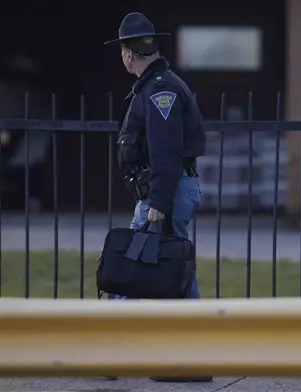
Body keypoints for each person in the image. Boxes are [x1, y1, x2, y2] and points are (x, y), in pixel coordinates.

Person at [103, 12, 211, 383]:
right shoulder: (154, 85)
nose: (122, 57)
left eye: (121, 50)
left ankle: (104, 352)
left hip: (166, 191)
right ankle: (194, 360)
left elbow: (165, 155)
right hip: (168, 190)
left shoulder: (161, 90)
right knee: (174, 267)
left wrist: (156, 206)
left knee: (133, 262)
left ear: (129, 53)